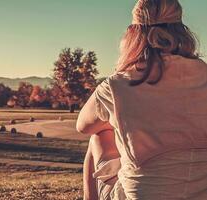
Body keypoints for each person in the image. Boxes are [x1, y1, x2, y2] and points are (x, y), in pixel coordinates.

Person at [77, 0, 207, 199]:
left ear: (134, 34)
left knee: (99, 134)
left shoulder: (116, 86)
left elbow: (83, 126)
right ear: (181, 30)